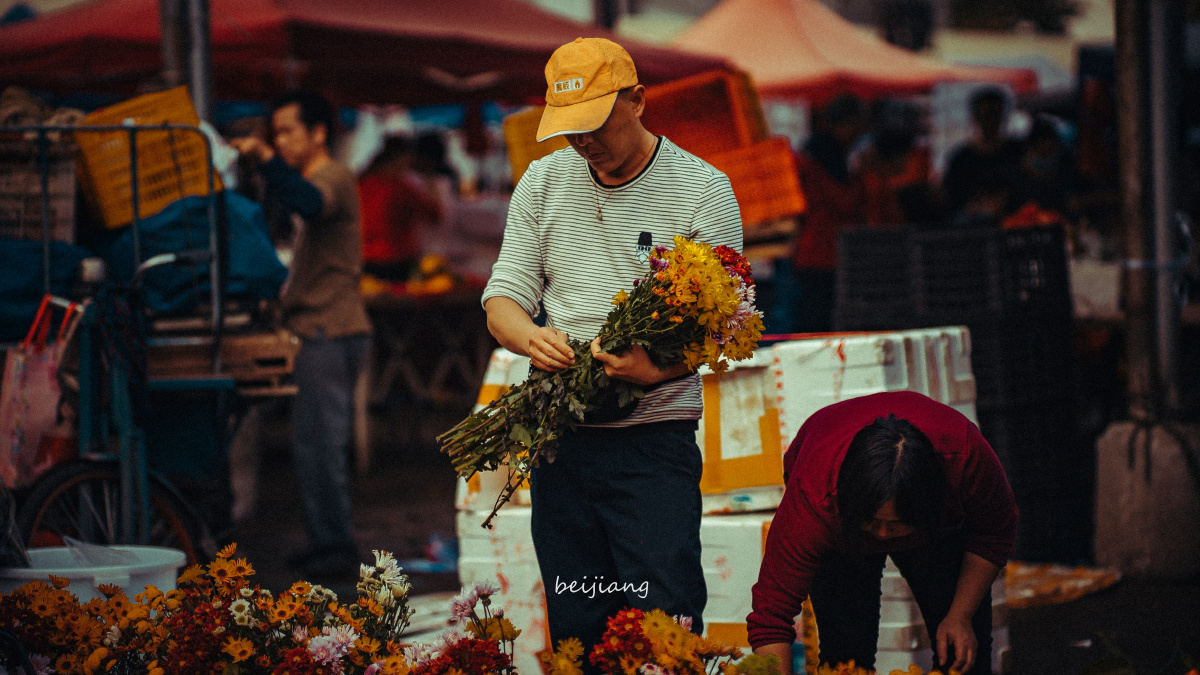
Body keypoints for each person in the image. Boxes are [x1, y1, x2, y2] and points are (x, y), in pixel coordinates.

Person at [481, 37, 742, 668]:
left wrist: (658, 367)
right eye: (569, 131)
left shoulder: (703, 189)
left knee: (662, 621)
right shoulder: (543, 181)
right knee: (580, 620)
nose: (584, 143)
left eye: (595, 125)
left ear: (638, 101)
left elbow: (729, 326)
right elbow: (503, 299)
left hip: (653, 450)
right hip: (562, 444)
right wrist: (528, 335)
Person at [747, 391, 1018, 675]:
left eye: (898, 524)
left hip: (936, 534)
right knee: (845, 658)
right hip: (843, 535)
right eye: (873, 522)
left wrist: (960, 615)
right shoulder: (815, 501)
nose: (884, 533)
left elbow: (995, 534)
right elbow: (771, 617)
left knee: (961, 653)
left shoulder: (964, 457)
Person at [231, 91, 370, 579]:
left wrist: (265, 160)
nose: (281, 140)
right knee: (309, 444)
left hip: (331, 329)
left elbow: (310, 204)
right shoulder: (309, 178)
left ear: (318, 133)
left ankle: (337, 547)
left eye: (289, 131)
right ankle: (324, 540)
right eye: (276, 134)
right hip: (316, 328)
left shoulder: (331, 176)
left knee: (323, 444)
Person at [775, 93, 866, 334]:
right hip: (820, 254)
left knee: (809, 322)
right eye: (856, 124)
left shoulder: (809, 154)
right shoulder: (826, 159)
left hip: (812, 253)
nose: (858, 133)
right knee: (817, 322)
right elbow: (845, 203)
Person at [358, 136, 443, 282]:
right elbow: (434, 215)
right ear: (403, 158)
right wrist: (430, 182)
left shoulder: (361, 183)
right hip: (396, 261)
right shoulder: (401, 188)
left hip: (363, 258)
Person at [941, 87, 1023, 222]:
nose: (991, 121)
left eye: (996, 114)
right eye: (986, 115)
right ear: (975, 117)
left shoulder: (1018, 152)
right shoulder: (961, 159)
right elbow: (950, 199)